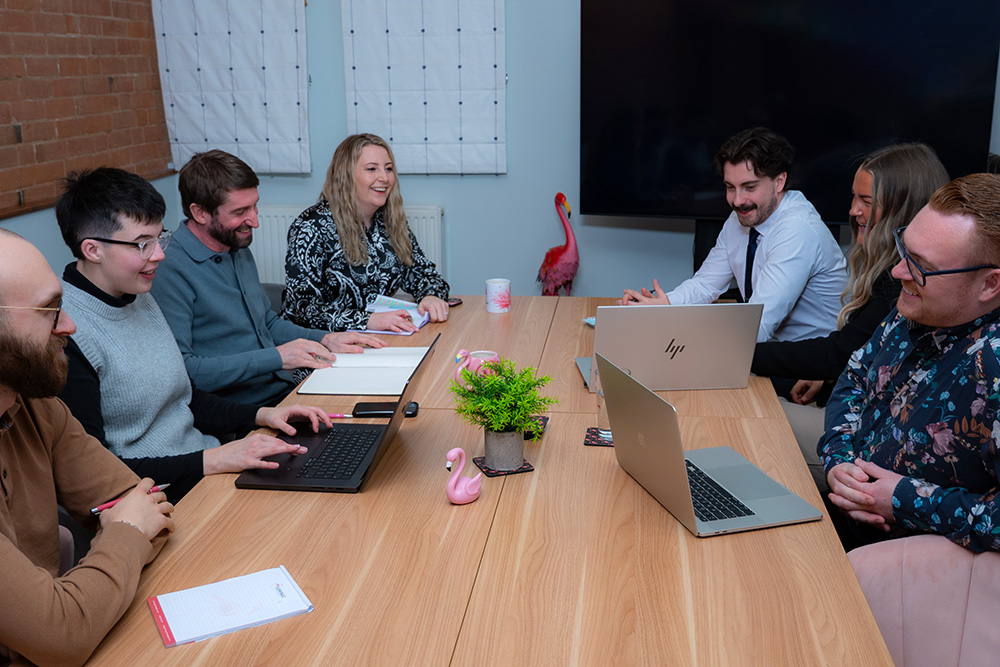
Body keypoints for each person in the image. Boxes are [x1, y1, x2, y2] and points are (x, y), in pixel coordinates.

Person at [55, 168, 335, 502]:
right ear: (92, 250)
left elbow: (184, 396)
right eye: (143, 244)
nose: (159, 254)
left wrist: (262, 415)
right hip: (160, 496)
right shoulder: (67, 333)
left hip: (205, 466)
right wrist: (213, 459)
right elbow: (95, 473)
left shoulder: (139, 295)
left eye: (160, 239)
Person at [0, 229, 174, 666]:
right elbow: (62, 635)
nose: (69, 325)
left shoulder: (36, 406)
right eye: (49, 310)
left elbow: (147, 504)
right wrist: (126, 532)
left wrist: (85, 596)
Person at [820, 173, 1000, 552]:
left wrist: (904, 499)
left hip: (907, 568)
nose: (898, 271)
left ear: (990, 285)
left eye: (920, 265)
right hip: (839, 520)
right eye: (904, 249)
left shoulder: (993, 363)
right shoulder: (918, 307)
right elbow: (854, 375)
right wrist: (839, 461)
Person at [751, 144, 949, 487]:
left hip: (873, 441)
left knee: (756, 416)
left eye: (866, 201)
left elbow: (838, 353)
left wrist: (739, 351)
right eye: (854, 197)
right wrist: (831, 377)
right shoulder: (888, 270)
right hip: (856, 414)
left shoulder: (901, 282)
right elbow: (858, 357)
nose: (853, 209)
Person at [150, 150, 385, 407]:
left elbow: (266, 324)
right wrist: (277, 358)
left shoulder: (235, 247)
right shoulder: (169, 267)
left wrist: (325, 338)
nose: (254, 221)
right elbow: (184, 373)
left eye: (255, 205)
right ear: (200, 213)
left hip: (281, 390)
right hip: (240, 411)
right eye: (240, 211)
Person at [619, 127, 848, 343]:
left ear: (779, 181)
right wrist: (663, 304)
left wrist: (673, 320)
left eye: (749, 187)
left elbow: (756, 326)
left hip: (810, 363)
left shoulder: (797, 229)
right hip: (769, 348)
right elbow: (706, 285)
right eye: (730, 187)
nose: (737, 201)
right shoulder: (743, 217)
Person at [281, 133, 451, 333]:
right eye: (372, 169)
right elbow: (302, 308)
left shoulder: (389, 221)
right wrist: (367, 320)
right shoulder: (310, 226)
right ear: (345, 176)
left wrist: (430, 295)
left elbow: (422, 273)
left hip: (377, 337)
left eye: (389, 169)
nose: (384, 178)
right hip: (320, 344)